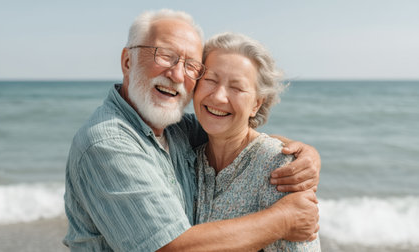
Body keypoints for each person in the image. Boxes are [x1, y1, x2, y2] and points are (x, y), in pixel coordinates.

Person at [64, 9, 320, 251]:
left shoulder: (177, 130)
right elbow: (167, 247)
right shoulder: (107, 142)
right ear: (127, 60)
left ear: (256, 103)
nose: (176, 74)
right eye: (164, 54)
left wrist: (301, 154)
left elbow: (235, 135)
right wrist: (284, 220)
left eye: (190, 65)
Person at [193, 32, 321, 251]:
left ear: (256, 104)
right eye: (210, 80)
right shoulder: (185, 155)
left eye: (237, 87)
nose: (218, 97)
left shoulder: (279, 168)